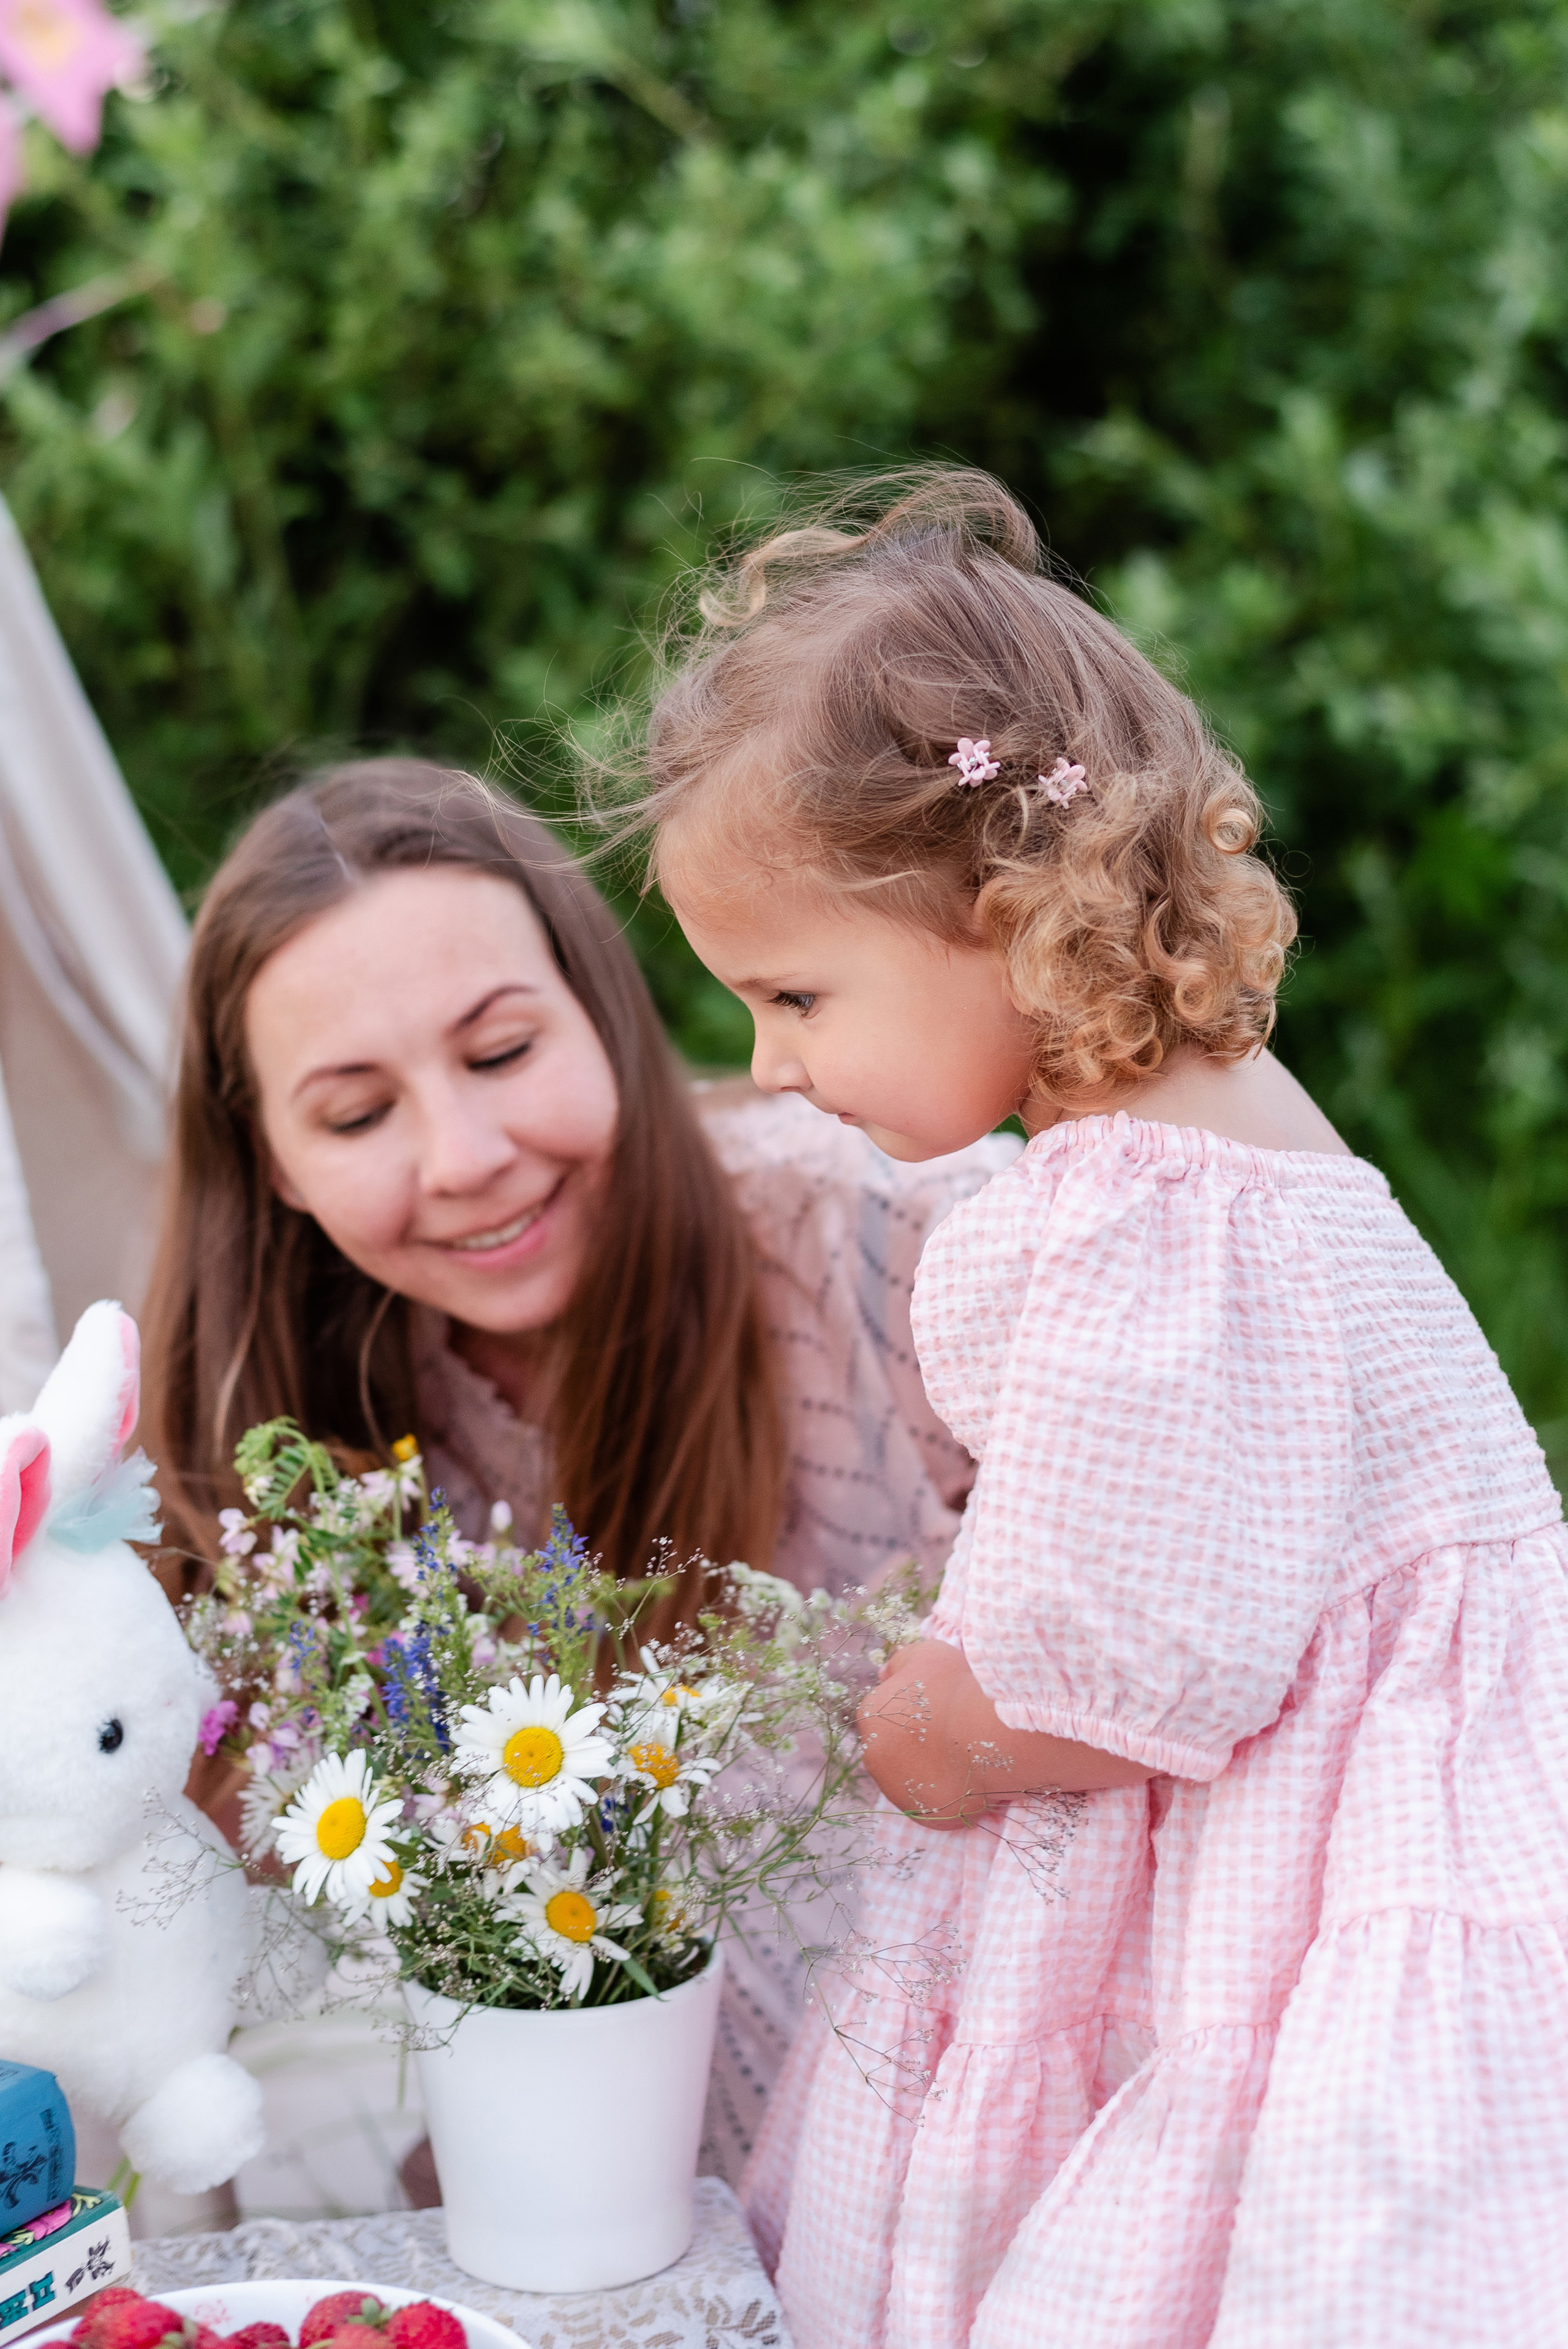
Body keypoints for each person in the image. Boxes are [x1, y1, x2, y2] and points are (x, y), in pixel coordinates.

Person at [633, 466, 1568, 2347]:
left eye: (795, 993)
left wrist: (925, 1720)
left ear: (1003, 911)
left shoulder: (1153, 1214)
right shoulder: (1202, 1161)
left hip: (1293, 1895)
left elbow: (1116, 1664)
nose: (774, 1058)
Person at [140, 757, 1014, 2192]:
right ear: (276, 1165)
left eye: (498, 1054)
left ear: (604, 1015)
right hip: (624, 2193)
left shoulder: (906, 1250)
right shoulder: (311, 1460)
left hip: (1003, 2161)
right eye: (356, 1116)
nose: (466, 1158)